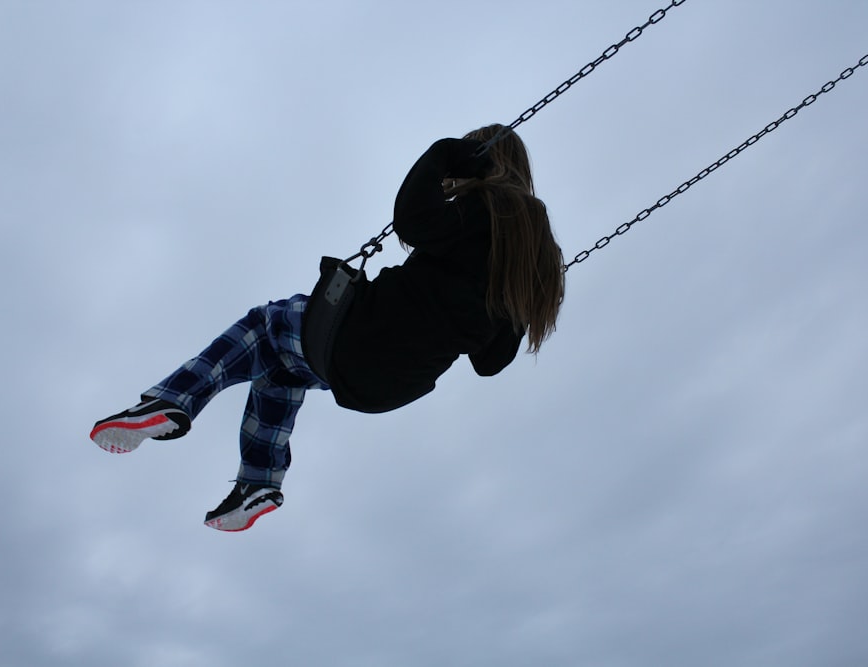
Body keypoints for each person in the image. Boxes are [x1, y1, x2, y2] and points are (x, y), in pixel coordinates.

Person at [89, 124, 566, 532]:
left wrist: (447, 152)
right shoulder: (527, 260)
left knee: (266, 325)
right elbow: (490, 361)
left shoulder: (489, 207)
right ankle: (258, 481)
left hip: (365, 336)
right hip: (392, 384)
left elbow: (412, 219)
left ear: (483, 162)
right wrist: (520, 310)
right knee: (282, 368)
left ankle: (171, 402)